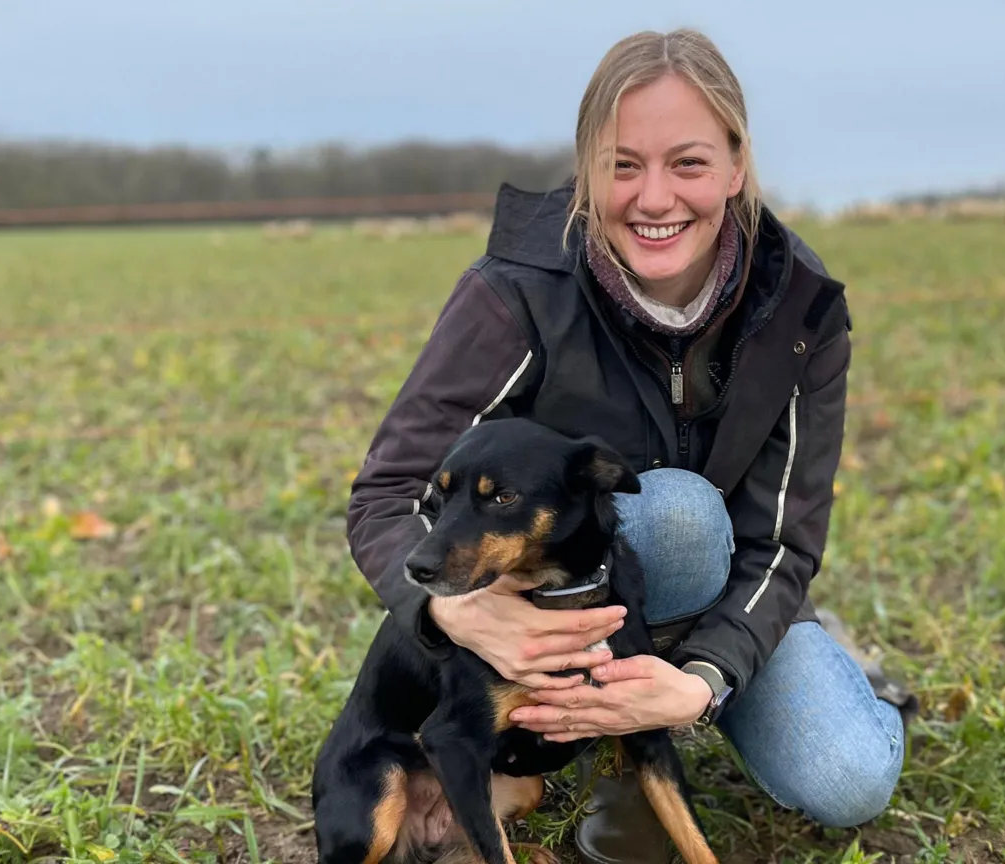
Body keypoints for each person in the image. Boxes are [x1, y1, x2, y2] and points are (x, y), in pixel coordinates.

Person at [346, 27, 912, 864]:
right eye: (622, 165)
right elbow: (387, 492)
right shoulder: (515, 293)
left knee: (848, 778)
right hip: (581, 600)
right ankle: (619, 760)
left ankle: (801, 672)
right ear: (587, 171)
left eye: (687, 163)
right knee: (673, 512)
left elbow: (784, 541)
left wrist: (701, 680)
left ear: (735, 165)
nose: (654, 198)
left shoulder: (800, 310)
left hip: (724, 593)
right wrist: (454, 610)